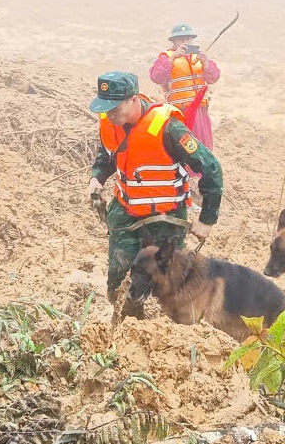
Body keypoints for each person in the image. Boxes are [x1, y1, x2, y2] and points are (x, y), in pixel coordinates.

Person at [86, 71, 223, 316]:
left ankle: (175, 326)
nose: (110, 115)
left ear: (134, 99)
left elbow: (210, 167)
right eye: (106, 109)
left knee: (171, 282)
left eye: (115, 108)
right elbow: (107, 154)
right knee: (118, 283)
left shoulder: (168, 127)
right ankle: (129, 323)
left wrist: (207, 219)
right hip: (126, 213)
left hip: (166, 218)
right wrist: (97, 177)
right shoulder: (110, 122)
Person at [149, 23, 221, 149]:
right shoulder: (166, 57)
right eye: (181, 39)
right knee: (184, 147)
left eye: (188, 38)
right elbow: (156, 77)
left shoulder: (199, 57)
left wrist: (206, 64)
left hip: (200, 112)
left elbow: (214, 77)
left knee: (204, 146)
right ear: (174, 41)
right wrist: (173, 58)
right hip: (180, 113)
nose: (186, 42)